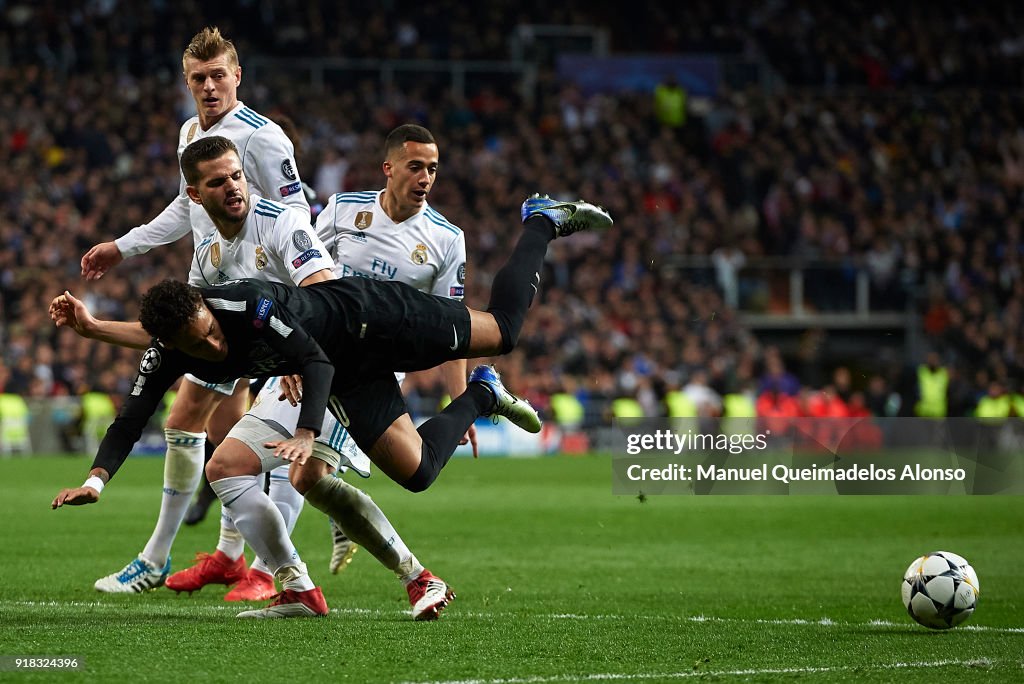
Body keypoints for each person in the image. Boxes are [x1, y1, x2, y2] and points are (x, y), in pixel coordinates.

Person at [52, 194, 613, 616]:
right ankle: (296, 585)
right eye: (197, 345)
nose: (213, 346)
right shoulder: (170, 350)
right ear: (171, 346)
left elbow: (314, 361)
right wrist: (96, 481)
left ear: (206, 306)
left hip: (376, 318)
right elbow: (130, 418)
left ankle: (539, 219)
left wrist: (308, 430)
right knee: (410, 474)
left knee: (505, 332)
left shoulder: (247, 304)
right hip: (344, 370)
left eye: (209, 332)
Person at [164, 124, 471, 618]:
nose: (426, 177)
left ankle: (412, 577)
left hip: (364, 371)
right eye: (416, 166)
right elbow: (299, 276)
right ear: (389, 167)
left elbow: (455, 328)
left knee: (314, 475)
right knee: (242, 468)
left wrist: (459, 400)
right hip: (308, 358)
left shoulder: (446, 240)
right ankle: (301, 586)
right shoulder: (343, 210)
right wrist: (294, 350)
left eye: (433, 169)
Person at [76, 26, 315, 594]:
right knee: (221, 426)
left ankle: (171, 558)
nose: (208, 87)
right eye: (197, 79)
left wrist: (290, 333)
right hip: (206, 288)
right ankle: (232, 554)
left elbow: (297, 223)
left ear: (238, 76)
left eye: (217, 76)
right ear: (187, 83)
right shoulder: (192, 133)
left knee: (190, 418)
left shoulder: (265, 139)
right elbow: (186, 209)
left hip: (251, 308)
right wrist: (123, 245)